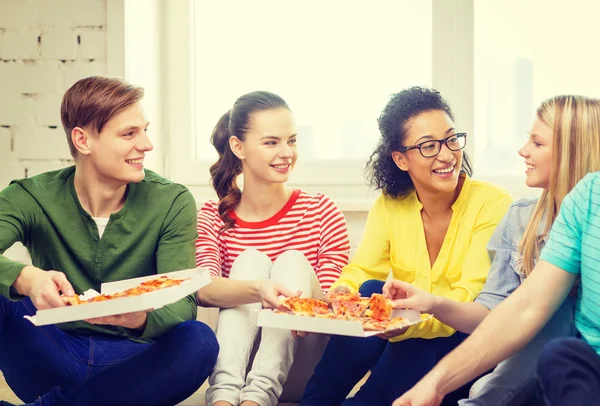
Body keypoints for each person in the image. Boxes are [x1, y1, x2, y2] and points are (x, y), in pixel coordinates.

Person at [0, 77, 290, 406]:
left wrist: (141, 319)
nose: (147, 145)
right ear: (83, 140)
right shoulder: (30, 196)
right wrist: (25, 277)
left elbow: (183, 306)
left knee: (199, 340)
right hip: (52, 353)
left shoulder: (171, 200)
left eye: (145, 130)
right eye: (129, 134)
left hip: (136, 366)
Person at [300, 86, 513, 406]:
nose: (446, 154)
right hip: (409, 336)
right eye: (429, 146)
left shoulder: (493, 203)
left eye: (451, 139)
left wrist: (404, 324)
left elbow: (468, 300)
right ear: (401, 159)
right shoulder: (391, 204)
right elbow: (364, 268)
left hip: (463, 344)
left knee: (412, 328)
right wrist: (343, 289)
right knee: (370, 290)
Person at [387, 95, 600, 405]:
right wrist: (432, 304)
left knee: (558, 317)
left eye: (537, 143)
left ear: (571, 151)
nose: (523, 150)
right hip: (553, 359)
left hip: (548, 354)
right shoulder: (570, 203)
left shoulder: (490, 203)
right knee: (558, 340)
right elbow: (516, 309)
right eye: (429, 146)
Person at [195, 90, 350, 406]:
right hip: (236, 357)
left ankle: (257, 399)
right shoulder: (213, 216)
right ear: (238, 147)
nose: (286, 152)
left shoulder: (321, 211)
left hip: (300, 357)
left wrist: (301, 302)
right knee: (250, 260)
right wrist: (259, 290)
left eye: (291, 141)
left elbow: (332, 301)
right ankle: (223, 398)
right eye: (271, 142)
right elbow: (204, 291)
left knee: (292, 260)